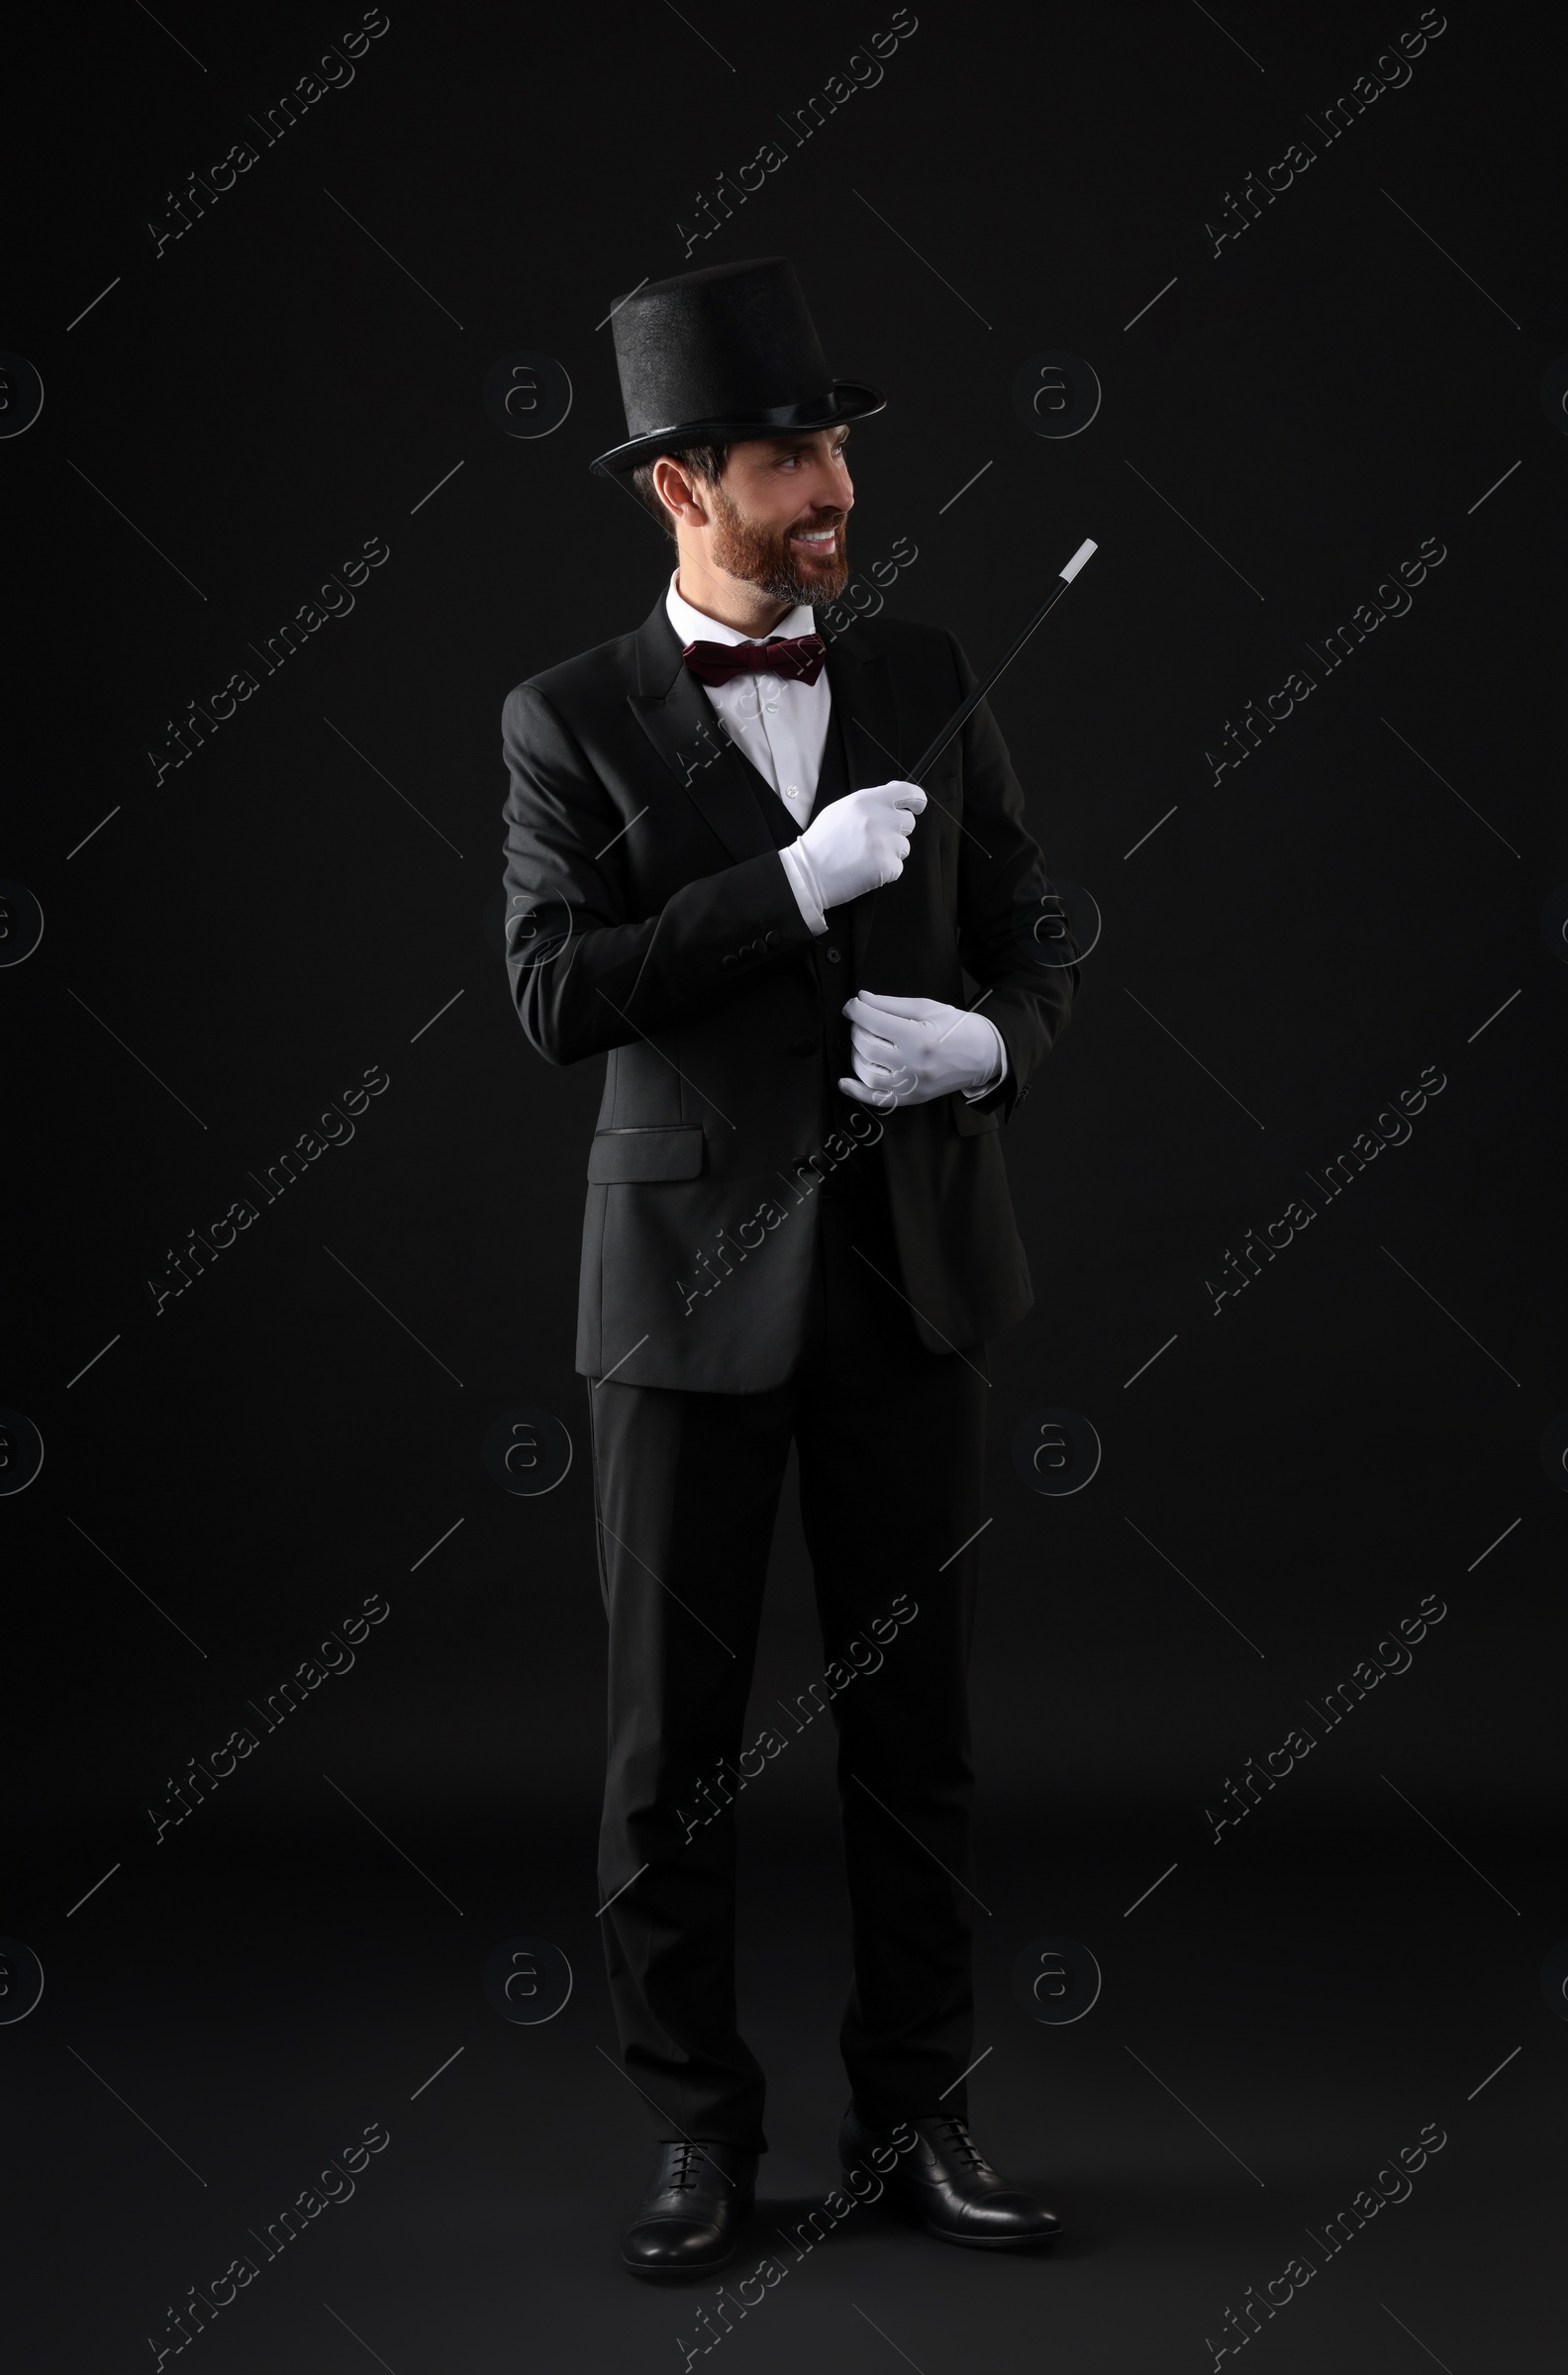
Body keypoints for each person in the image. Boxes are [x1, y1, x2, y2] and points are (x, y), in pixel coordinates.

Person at [500, 255, 1074, 2278]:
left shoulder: (921, 670)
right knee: (667, 1746)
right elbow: (554, 994)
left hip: (906, 1283)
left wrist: (987, 1045)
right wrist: (786, 889)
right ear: (678, 485)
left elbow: (1038, 943)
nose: (831, 490)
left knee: (917, 1733)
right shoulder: (564, 719)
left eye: (835, 448)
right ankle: (696, 2139)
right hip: (676, 1297)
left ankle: (921, 2118)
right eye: (786, 459)